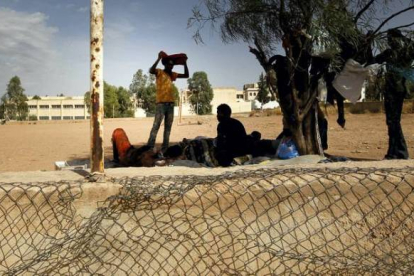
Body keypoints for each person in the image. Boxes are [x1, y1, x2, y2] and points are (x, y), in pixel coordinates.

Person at [373, 29, 414, 159]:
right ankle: (393, 152)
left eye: (390, 38)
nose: (388, 41)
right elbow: (374, 59)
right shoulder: (404, 52)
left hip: (394, 90)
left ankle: (400, 152)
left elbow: (372, 60)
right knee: (392, 121)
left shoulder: (395, 53)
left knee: (393, 121)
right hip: (398, 90)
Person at [147, 51, 189, 154]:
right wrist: (157, 59)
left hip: (170, 105)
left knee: (168, 128)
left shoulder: (172, 75)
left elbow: (186, 75)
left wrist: (185, 64)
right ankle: (149, 147)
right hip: (161, 104)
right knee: (156, 126)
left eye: (172, 64)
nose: (171, 66)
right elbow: (151, 70)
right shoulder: (159, 72)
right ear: (165, 64)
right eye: (169, 64)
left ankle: (164, 149)